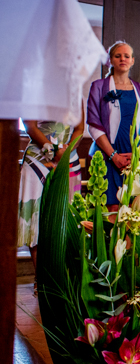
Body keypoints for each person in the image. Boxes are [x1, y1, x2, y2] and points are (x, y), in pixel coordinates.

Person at [18, 114, 84, 294]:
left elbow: (79, 128)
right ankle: (42, 279)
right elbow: (30, 125)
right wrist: (52, 149)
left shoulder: (73, 89)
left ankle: (63, 277)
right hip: (37, 160)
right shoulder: (34, 87)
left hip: (69, 159)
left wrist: (67, 150)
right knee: (36, 218)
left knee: (69, 218)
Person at [86, 42, 140, 212]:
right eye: (118, 56)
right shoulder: (99, 87)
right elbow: (94, 125)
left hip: (133, 157)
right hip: (107, 154)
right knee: (112, 208)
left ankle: (128, 240)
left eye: (126, 56)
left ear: (132, 61)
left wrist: (136, 154)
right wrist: (114, 156)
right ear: (110, 60)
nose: (122, 59)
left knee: (133, 210)